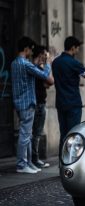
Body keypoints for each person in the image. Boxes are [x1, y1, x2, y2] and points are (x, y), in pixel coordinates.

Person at [11, 37, 53, 174]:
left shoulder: (14, 63)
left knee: (26, 135)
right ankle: (22, 165)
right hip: (28, 103)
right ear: (26, 49)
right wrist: (48, 62)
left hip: (19, 103)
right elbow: (44, 75)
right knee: (25, 135)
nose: (31, 52)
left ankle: (28, 163)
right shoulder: (25, 64)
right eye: (31, 49)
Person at [52, 36, 85, 154]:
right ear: (73, 48)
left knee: (63, 134)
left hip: (61, 103)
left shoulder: (55, 62)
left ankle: (61, 163)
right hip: (73, 104)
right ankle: (71, 163)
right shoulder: (74, 63)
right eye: (77, 48)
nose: (78, 51)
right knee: (72, 135)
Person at [31, 45, 54, 168]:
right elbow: (49, 80)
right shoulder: (34, 67)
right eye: (45, 54)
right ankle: (34, 159)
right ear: (40, 54)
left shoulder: (38, 67)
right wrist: (48, 64)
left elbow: (48, 82)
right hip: (37, 104)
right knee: (35, 133)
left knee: (35, 133)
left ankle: (34, 159)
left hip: (39, 103)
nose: (46, 57)